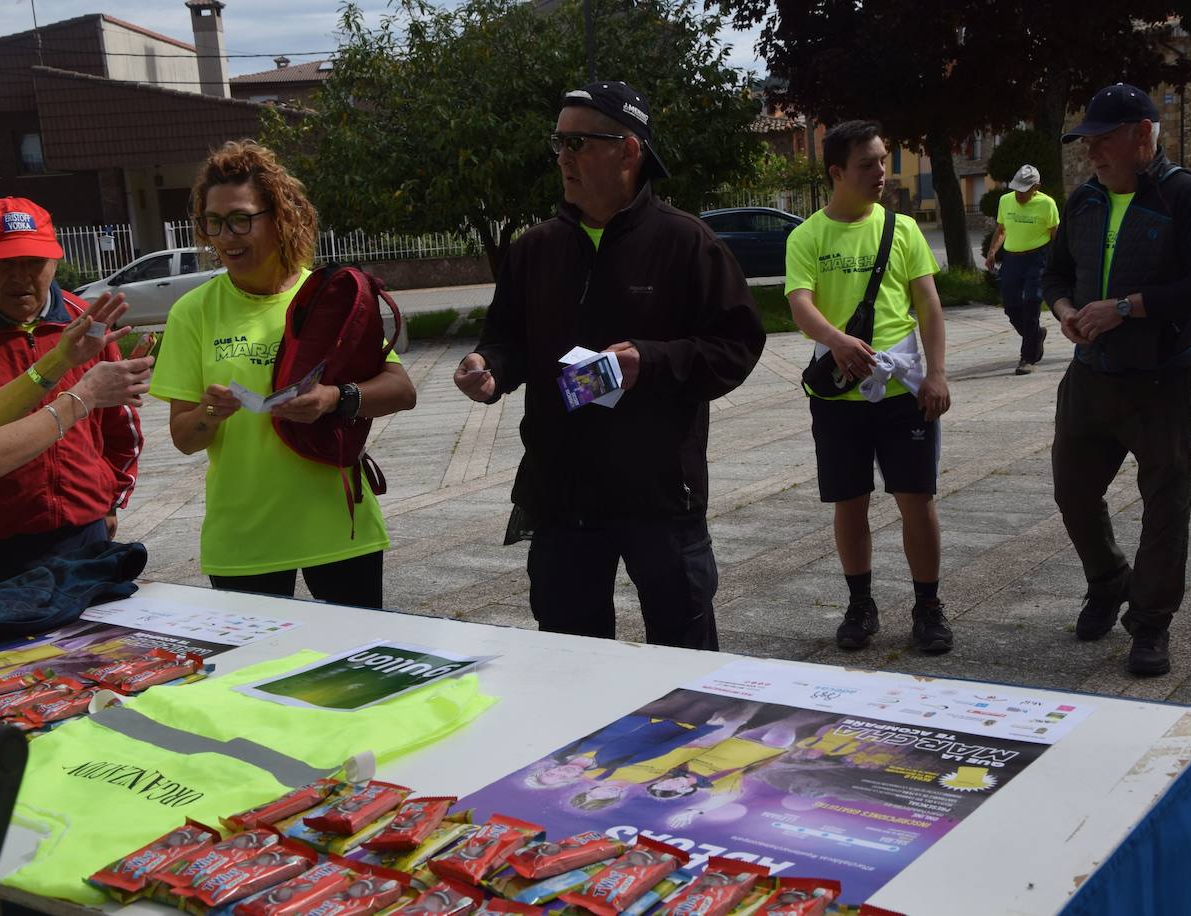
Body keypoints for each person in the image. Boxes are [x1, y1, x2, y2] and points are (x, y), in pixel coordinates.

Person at [453, 81, 765, 650]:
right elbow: (507, 339)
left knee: (683, 657)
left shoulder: (686, 242)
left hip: (660, 494)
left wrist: (651, 359)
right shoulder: (534, 250)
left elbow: (737, 345)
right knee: (570, 657)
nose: (564, 158)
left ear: (629, 151)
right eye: (560, 143)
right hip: (563, 493)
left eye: (581, 143)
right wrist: (488, 366)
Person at [150, 140, 416, 609]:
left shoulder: (327, 299)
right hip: (245, 542)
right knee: (254, 677)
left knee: (354, 675)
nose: (227, 237)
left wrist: (334, 398)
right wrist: (210, 412)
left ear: (279, 216)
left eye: (241, 219)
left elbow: (401, 390)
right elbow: (184, 437)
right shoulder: (193, 313)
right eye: (214, 223)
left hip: (338, 528)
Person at [1042, 84, 1191, 676]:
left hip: (1161, 383)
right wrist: (1065, 312)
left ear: (1143, 136)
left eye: (1103, 139)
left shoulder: (1186, 198)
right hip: (1091, 378)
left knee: (1165, 505)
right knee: (1072, 489)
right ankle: (1109, 580)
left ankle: (1150, 625)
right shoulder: (1083, 201)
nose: (1092, 152)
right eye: (1087, 141)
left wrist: (1127, 308)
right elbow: (1056, 275)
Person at [784, 120, 953, 655]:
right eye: (868, 163)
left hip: (903, 391)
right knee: (849, 503)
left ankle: (928, 607)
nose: (881, 171)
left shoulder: (901, 230)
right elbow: (800, 304)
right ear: (837, 171)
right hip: (838, 396)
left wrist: (938, 373)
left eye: (883, 159)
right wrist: (837, 341)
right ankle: (861, 605)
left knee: (917, 500)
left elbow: (928, 305)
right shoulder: (807, 235)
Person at [0, 196, 154, 589]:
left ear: (56, 260)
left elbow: (120, 423)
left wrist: (111, 500)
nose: (21, 276)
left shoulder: (88, 322)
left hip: (83, 532)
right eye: (5, 263)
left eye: (33, 262)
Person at [984, 164, 1060, 375]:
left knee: (1032, 302)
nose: (1018, 194)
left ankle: (1027, 357)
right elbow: (1001, 229)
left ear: (1036, 187)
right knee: (1011, 306)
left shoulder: (1047, 204)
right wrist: (992, 252)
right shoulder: (1005, 201)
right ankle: (1035, 335)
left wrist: (1060, 263)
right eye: (1016, 188)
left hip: (1038, 256)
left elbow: (1056, 235)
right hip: (1012, 258)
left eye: (1024, 190)